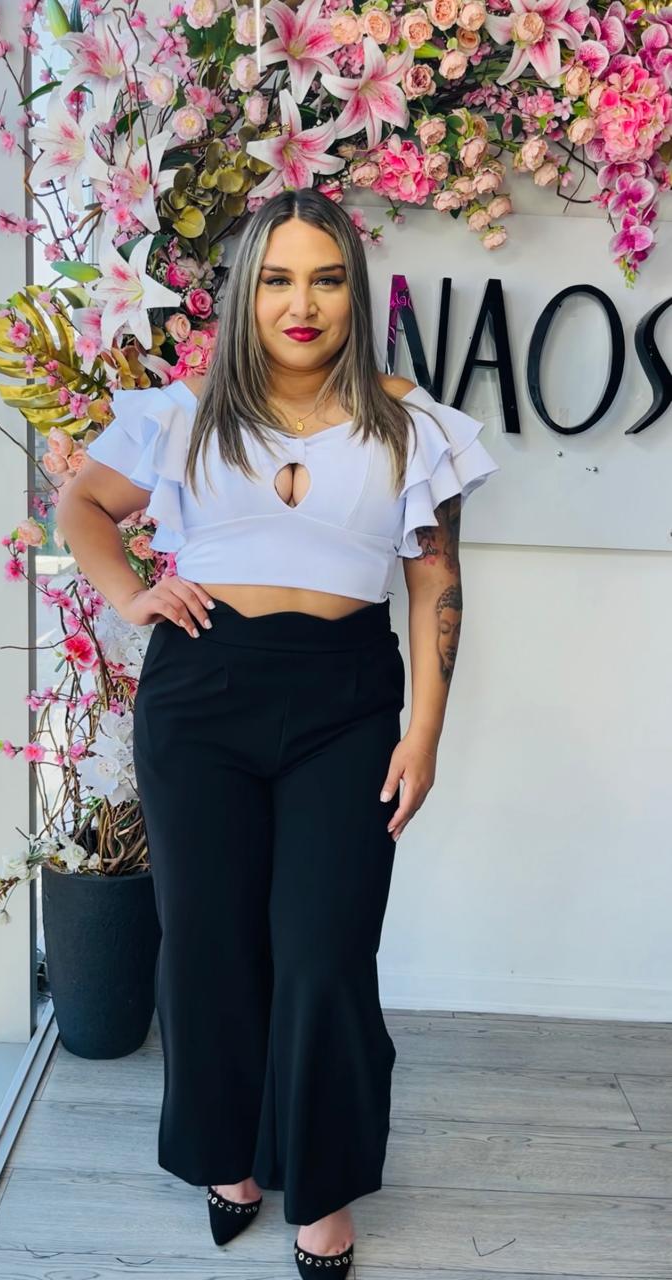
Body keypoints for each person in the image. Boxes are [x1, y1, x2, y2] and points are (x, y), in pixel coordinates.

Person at [56, 188, 499, 1277]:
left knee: (325, 947)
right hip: (201, 694)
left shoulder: (411, 423)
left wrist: (426, 732)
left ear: (356, 291)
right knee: (208, 940)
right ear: (245, 293)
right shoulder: (184, 413)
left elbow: (435, 580)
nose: (303, 304)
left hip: (347, 700)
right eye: (278, 279)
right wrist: (132, 594)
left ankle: (324, 1181)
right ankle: (230, 1156)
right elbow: (82, 506)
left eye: (327, 278)